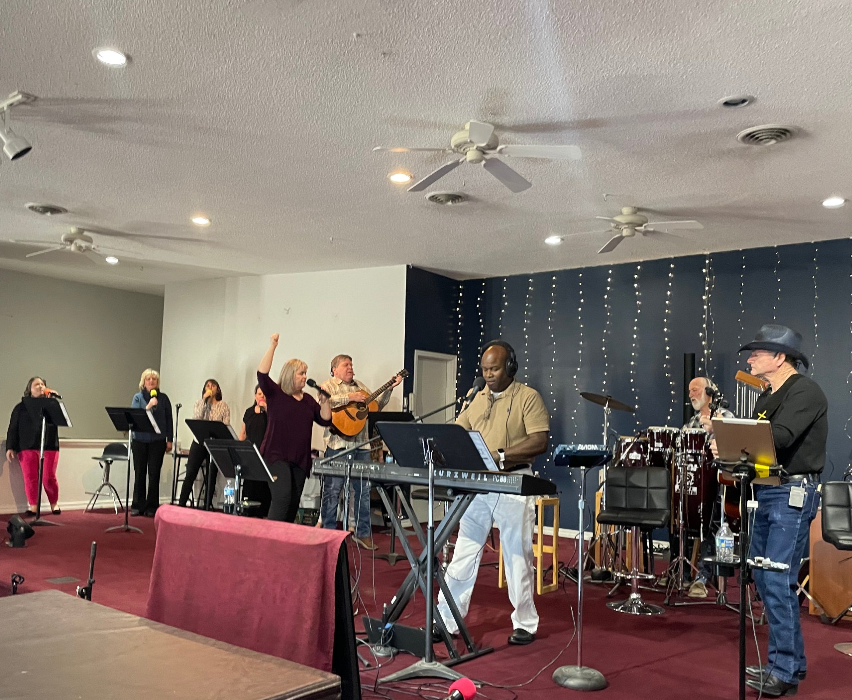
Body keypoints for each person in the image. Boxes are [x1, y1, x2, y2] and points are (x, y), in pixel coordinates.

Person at [727, 325, 826, 698]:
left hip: (791, 493)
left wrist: (736, 436)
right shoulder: (768, 396)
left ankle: (783, 670)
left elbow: (779, 438)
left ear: (780, 357)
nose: (750, 359)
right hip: (769, 490)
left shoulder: (805, 392)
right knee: (765, 576)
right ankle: (791, 664)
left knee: (777, 578)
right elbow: (761, 447)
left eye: (757, 353)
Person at [437, 340, 549, 646]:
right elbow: (458, 431)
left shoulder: (528, 397)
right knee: (464, 551)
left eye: (495, 369)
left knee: (516, 554)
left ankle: (525, 623)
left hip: (513, 482)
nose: (488, 375)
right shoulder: (477, 398)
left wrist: (500, 456)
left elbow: (539, 440)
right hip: (479, 484)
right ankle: (447, 619)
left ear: (511, 367)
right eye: (485, 369)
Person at [320, 355, 402, 550]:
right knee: (332, 490)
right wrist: (351, 397)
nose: (350, 367)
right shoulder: (328, 385)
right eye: (345, 364)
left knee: (363, 491)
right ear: (334, 369)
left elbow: (376, 406)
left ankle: (362, 533)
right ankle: (328, 534)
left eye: (351, 364)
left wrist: (389, 389)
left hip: (362, 446)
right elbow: (325, 402)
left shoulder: (361, 387)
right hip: (337, 444)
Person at [257, 333, 332, 522]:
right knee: (282, 498)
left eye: (305, 373)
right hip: (276, 457)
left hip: (300, 460)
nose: (305, 377)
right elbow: (262, 375)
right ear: (290, 375)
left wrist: (325, 401)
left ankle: (286, 538)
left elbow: (325, 420)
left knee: (292, 504)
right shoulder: (276, 393)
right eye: (301, 373)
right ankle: (271, 536)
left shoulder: (307, 400)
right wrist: (273, 346)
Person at [681, 376, 734, 599]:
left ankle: (702, 576)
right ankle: (681, 572)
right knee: (680, 508)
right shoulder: (692, 422)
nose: (691, 394)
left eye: (695, 389)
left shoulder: (726, 417)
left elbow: (734, 447)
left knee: (711, 517)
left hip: (721, 486)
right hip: (697, 484)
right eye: (689, 391)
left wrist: (718, 430)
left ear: (710, 392)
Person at [5, 376, 62, 516]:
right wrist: (10, 447)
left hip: (49, 446)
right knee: (30, 477)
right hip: (27, 446)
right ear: (29, 389)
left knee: (48, 477)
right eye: (37, 384)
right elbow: (13, 427)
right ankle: (33, 506)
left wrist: (52, 402)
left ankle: (54, 503)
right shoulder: (20, 407)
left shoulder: (51, 404)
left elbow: (59, 420)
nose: (40, 386)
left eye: (42, 384)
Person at [177, 379, 230, 510]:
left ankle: (207, 505)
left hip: (214, 444)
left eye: (213, 386)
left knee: (211, 475)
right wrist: (204, 401)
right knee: (191, 472)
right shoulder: (199, 403)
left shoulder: (223, 406)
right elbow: (197, 418)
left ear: (217, 389)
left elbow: (226, 425)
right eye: (208, 386)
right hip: (199, 441)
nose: (210, 388)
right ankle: (181, 504)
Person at [130, 369, 173, 517]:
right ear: (143, 382)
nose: (151, 381)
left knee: (154, 474)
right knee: (140, 472)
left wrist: (169, 440)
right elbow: (134, 416)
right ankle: (138, 505)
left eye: (154, 379)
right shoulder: (138, 398)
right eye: (148, 379)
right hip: (139, 440)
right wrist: (148, 406)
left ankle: (152, 507)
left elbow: (169, 419)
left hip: (157, 441)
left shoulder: (164, 398)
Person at [239, 384, 271, 517]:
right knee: (249, 485)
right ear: (255, 396)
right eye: (259, 394)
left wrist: (267, 409)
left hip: (265, 455)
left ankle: (263, 513)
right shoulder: (249, 412)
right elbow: (243, 433)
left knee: (263, 486)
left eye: (264, 394)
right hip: (250, 454)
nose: (262, 396)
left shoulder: (271, 413)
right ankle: (247, 512)